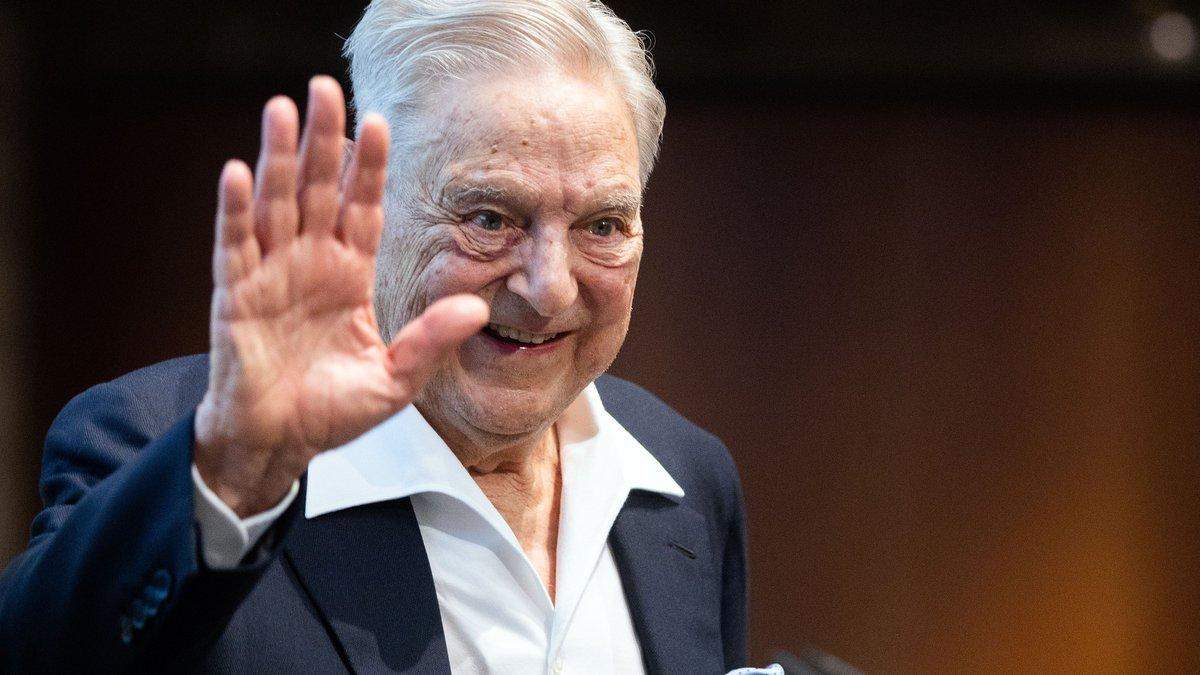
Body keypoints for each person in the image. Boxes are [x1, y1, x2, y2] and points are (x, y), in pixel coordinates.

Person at [0, 1, 747, 672]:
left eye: (603, 225)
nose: (549, 286)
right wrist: (237, 474)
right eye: (489, 218)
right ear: (361, 189)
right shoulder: (173, 450)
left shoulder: (685, 478)